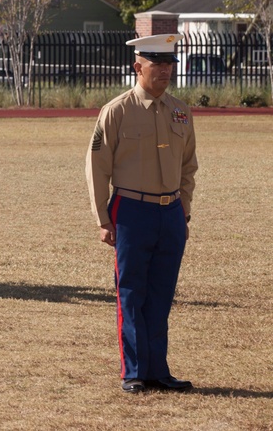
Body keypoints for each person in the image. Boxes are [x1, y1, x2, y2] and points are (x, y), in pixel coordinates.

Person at [86, 33, 198, 394]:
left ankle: (157, 370)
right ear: (138, 67)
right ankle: (134, 371)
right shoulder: (116, 111)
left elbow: (188, 166)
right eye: (157, 64)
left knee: (162, 294)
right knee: (132, 293)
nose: (165, 71)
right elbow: (96, 166)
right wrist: (103, 220)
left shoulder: (180, 111)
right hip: (131, 210)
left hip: (170, 214)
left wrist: (184, 209)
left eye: (169, 64)